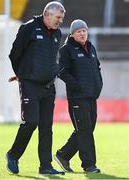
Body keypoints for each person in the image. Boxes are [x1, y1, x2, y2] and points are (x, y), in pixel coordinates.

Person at [6, 1, 65, 175]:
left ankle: (45, 166)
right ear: (47, 15)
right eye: (58, 17)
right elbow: (14, 54)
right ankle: (13, 154)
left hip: (48, 86)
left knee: (46, 127)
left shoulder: (58, 33)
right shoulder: (28, 28)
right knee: (31, 121)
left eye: (62, 18)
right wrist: (22, 75)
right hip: (30, 84)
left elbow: (51, 58)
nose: (60, 21)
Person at [54, 19, 103, 173]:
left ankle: (63, 155)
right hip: (77, 98)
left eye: (84, 31)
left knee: (87, 129)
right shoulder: (66, 50)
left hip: (91, 96)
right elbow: (62, 71)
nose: (82, 33)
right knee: (84, 130)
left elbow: (97, 67)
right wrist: (77, 86)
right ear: (73, 34)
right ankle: (89, 165)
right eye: (79, 31)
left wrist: (98, 85)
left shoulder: (91, 47)